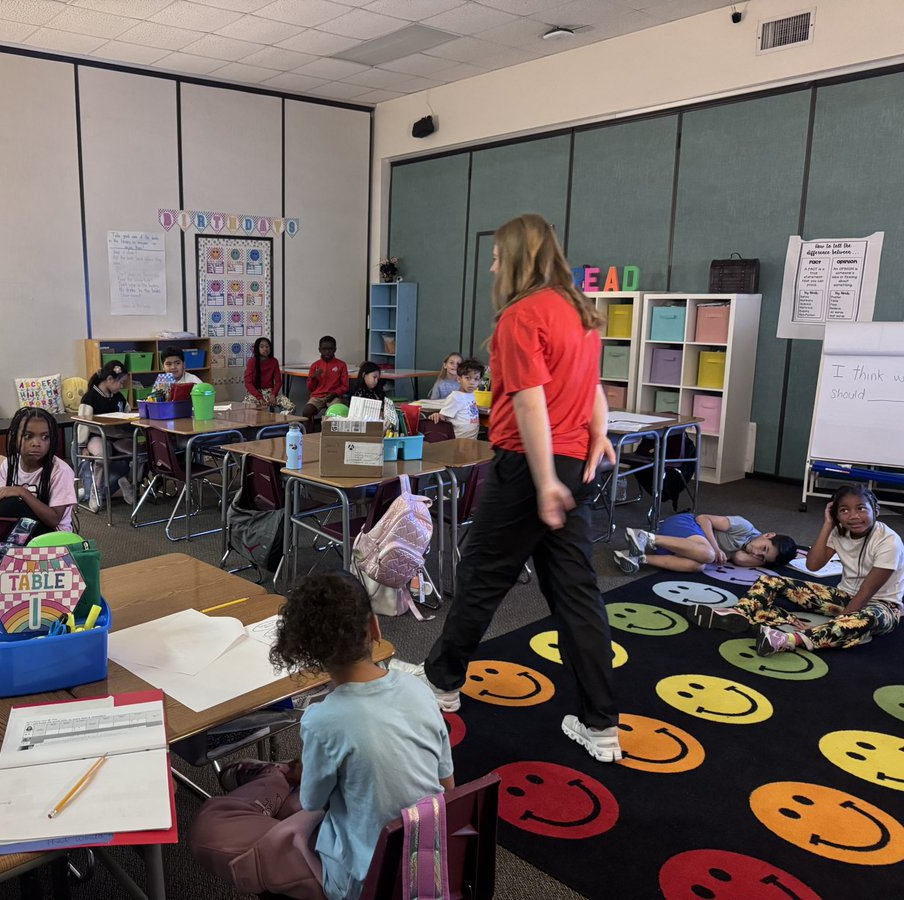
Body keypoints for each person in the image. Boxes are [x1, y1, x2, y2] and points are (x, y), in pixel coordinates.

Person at [399, 213, 621, 763]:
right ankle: (601, 724)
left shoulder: (523, 315)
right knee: (576, 593)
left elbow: (528, 403)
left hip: (530, 466)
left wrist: (544, 482)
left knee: (481, 576)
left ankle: (442, 683)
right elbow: (591, 387)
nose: (493, 265)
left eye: (498, 255)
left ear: (519, 257)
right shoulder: (581, 311)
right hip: (571, 464)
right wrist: (599, 433)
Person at [190, 572, 453, 900]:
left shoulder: (322, 720)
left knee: (210, 825)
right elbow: (447, 787)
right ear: (374, 627)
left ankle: (275, 776)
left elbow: (312, 802)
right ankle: (276, 777)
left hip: (358, 881)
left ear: (308, 655)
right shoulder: (419, 690)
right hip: (427, 862)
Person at [692, 485, 903, 656]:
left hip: (882, 606)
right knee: (770, 581)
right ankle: (739, 614)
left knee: (862, 620)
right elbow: (813, 565)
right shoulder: (839, 532)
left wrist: (838, 624)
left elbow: (866, 592)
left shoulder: (889, 542)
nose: (853, 516)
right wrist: (828, 525)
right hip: (844, 596)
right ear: (835, 514)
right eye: (844, 510)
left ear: (875, 510)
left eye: (861, 508)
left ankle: (789, 640)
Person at [613, 514, 797, 574]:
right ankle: (646, 537)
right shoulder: (743, 526)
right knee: (708, 555)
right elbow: (703, 518)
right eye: (763, 548)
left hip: (683, 547)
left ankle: (639, 557)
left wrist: (762, 558)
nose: (757, 553)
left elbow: (740, 558)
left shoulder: (750, 552)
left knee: (698, 565)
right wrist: (715, 548)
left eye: (762, 558)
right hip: (684, 524)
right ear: (768, 535)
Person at [0, 407, 77, 533]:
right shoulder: (8, 465)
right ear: (14, 437)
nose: (37, 443)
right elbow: (0, 501)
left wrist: (23, 492)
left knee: (8, 505)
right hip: (22, 530)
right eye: (28, 436)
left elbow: (54, 519)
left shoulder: (60, 471)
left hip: (54, 535)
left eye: (45, 437)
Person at [76, 359, 135, 508]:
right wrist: (82, 445)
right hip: (95, 437)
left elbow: (128, 414)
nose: (122, 386)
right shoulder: (90, 397)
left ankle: (126, 481)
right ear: (109, 379)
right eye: (120, 382)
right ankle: (97, 492)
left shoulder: (119, 397)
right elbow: (83, 424)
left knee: (138, 453)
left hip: (117, 436)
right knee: (103, 455)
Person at [427, 357, 485, 440]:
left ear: (479, 381)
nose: (472, 382)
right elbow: (442, 417)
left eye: (476, 379)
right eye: (467, 378)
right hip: (458, 442)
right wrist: (437, 415)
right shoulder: (455, 397)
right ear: (459, 379)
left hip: (471, 442)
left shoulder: (472, 394)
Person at [301, 336, 349, 428]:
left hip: (334, 397)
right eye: (324, 349)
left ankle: (329, 437)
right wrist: (313, 378)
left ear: (335, 349)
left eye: (330, 349)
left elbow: (345, 386)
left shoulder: (341, 365)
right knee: (307, 411)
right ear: (319, 350)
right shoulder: (315, 366)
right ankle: (309, 438)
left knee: (335, 414)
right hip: (318, 397)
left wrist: (335, 393)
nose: (327, 351)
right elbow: (310, 389)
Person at [243, 337, 294, 412]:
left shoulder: (274, 361)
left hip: (270, 393)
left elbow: (278, 382)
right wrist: (259, 397)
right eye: (262, 347)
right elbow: (248, 383)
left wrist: (273, 395)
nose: (265, 349)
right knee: (246, 410)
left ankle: (282, 423)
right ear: (257, 348)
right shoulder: (252, 361)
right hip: (255, 394)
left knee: (290, 407)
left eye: (267, 347)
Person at [350, 361, 398, 434]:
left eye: (378, 378)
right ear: (364, 375)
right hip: (369, 429)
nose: (376, 381)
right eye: (374, 377)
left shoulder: (378, 392)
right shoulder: (358, 394)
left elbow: (388, 407)